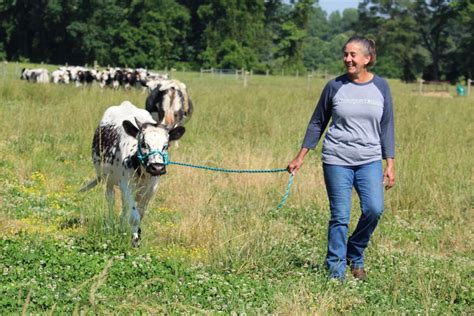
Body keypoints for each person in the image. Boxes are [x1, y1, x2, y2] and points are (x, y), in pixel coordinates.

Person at [287, 36, 395, 281]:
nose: (347, 59)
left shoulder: (381, 87)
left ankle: (354, 252)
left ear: (367, 59)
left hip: (369, 160)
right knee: (340, 216)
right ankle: (336, 271)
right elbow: (318, 122)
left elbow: (387, 126)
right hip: (337, 158)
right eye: (345, 54)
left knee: (374, 209)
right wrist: (300, 157)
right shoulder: (334, 86)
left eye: (353, 55)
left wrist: (390, 163)